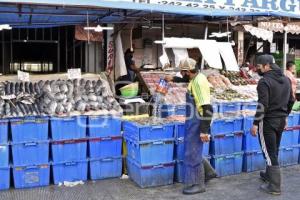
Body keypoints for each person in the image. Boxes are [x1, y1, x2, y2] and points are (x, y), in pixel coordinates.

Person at [250, 55, 295, 195]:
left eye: (259, 67)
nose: (257, 69)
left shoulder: (264, 82)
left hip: (268, 121)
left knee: (269, 153)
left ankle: (275, 186)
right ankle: (269, 175)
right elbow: (292, 100)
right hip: (281, 120)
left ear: (267, 66)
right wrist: (285, 115)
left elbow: (262, 104)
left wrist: (255, 123)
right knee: (273, 149)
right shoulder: (286, 79)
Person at [180, 58, 216, 195]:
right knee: (193, 150)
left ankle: (198, 184)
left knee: (192, 153)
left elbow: (207, 108)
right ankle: (209, 172)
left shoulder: (198, 83)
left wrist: (203, 131)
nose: (183, 75)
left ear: (189, 71)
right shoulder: (196, 78)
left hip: (198, 122)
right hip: (193, 121)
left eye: (184, 73)